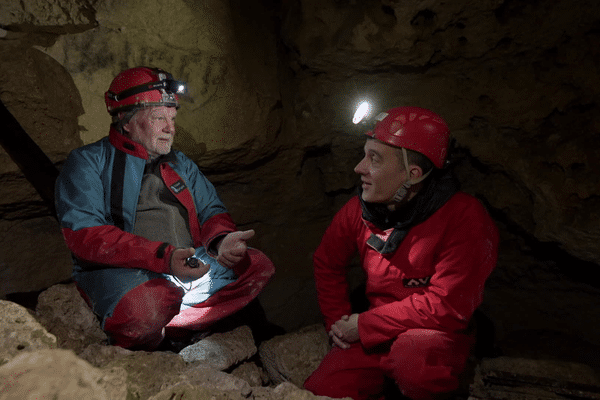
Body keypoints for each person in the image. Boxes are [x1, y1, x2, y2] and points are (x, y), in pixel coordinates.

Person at [55, 66, 275, 350]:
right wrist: (163, 257)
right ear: (125, 121)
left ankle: (179, 324)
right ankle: (180, 326)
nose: (171, 128)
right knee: (144, 310)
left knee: (256, 265)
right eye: (159, 118)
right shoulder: (88, 162)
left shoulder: (181, 163)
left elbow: (212, 210)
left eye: (172, 118)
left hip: (189, 264)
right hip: (128, 271)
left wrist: (222, 241)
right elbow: (85, 235)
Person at [304, 106, 499, 400]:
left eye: (375, 159)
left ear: (413, 174)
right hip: (375, 333)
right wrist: (337, 323)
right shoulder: (359, 211)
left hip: (435, 334)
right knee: (324, 390)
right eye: (364, 154)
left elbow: (447, 307)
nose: (359, 168)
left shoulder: (464, 219)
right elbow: (327, 262)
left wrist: (364, 325)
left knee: (414, 361)